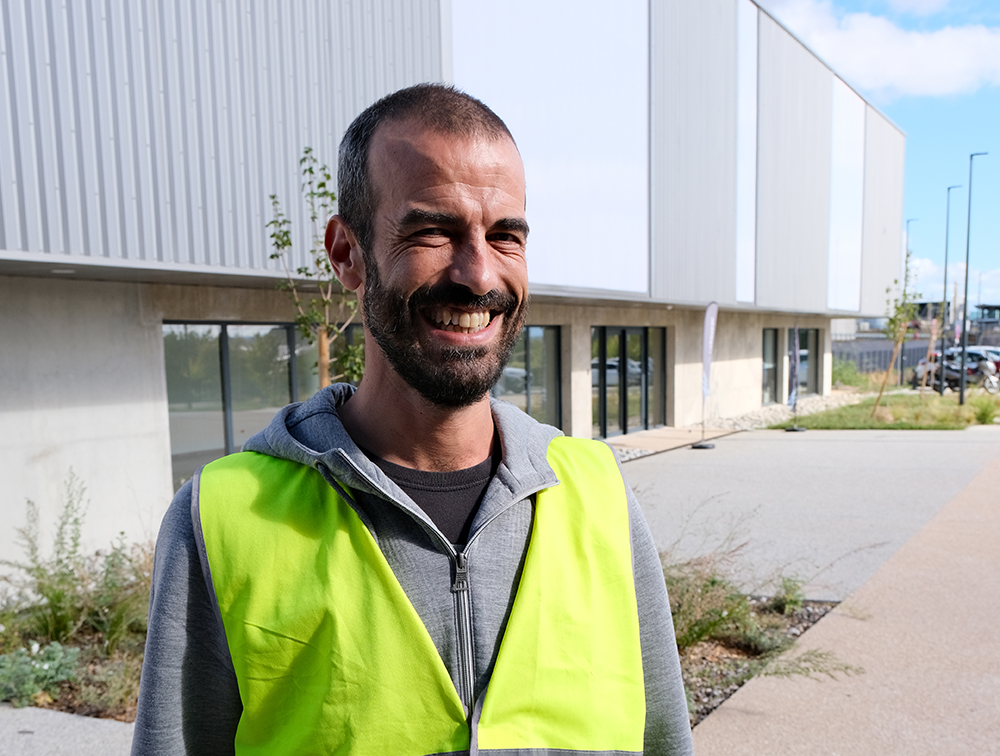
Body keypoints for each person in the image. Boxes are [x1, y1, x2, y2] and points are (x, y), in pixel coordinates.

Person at [132, 84, 693, 756]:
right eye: (434, 230)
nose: (479, 275)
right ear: (347, 253)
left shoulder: (598, 493)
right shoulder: (219, 519)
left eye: (505, 235)